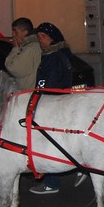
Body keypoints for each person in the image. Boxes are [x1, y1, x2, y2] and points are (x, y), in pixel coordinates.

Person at [28, 21, 76, 195]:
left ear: (52, 38)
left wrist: (37, 98)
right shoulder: (59, 54)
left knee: (49, 143)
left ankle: (51, 182)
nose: (40, 40)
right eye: (39, 36)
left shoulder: (53, 57)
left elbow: (47, 84)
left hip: (51, 106)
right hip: (59, 103)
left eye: (43, 36)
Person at [5, 17, 41, 91]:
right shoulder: (31, 46)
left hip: (28, 94)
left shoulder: (31, 48)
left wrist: (15, 48)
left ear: (25, 32)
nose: (13, 34)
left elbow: (14, 68)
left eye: (15, 31)